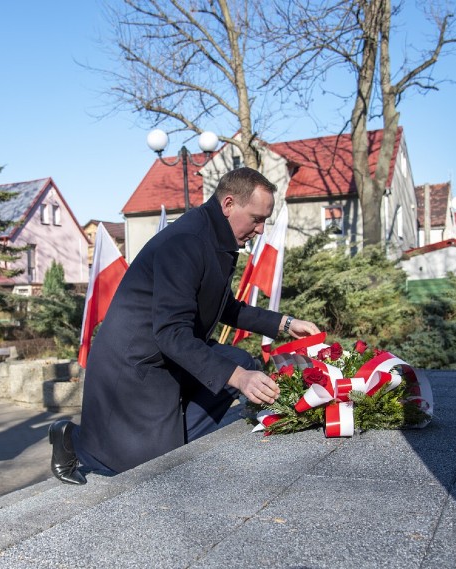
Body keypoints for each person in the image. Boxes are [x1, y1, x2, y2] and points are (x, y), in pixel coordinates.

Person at [49, 167, 320, 485]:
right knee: (152, 466)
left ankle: (171, 434)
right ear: (229, 204)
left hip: (172, 352)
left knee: (241, 364)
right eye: (256, 219)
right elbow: (171, 332)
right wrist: (238, 378)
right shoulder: (186, 242)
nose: (260, 229)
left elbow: (225, 306)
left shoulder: (216, 236)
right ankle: (74, 440)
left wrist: (286, 324)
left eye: (264, 221)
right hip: (137, 363)